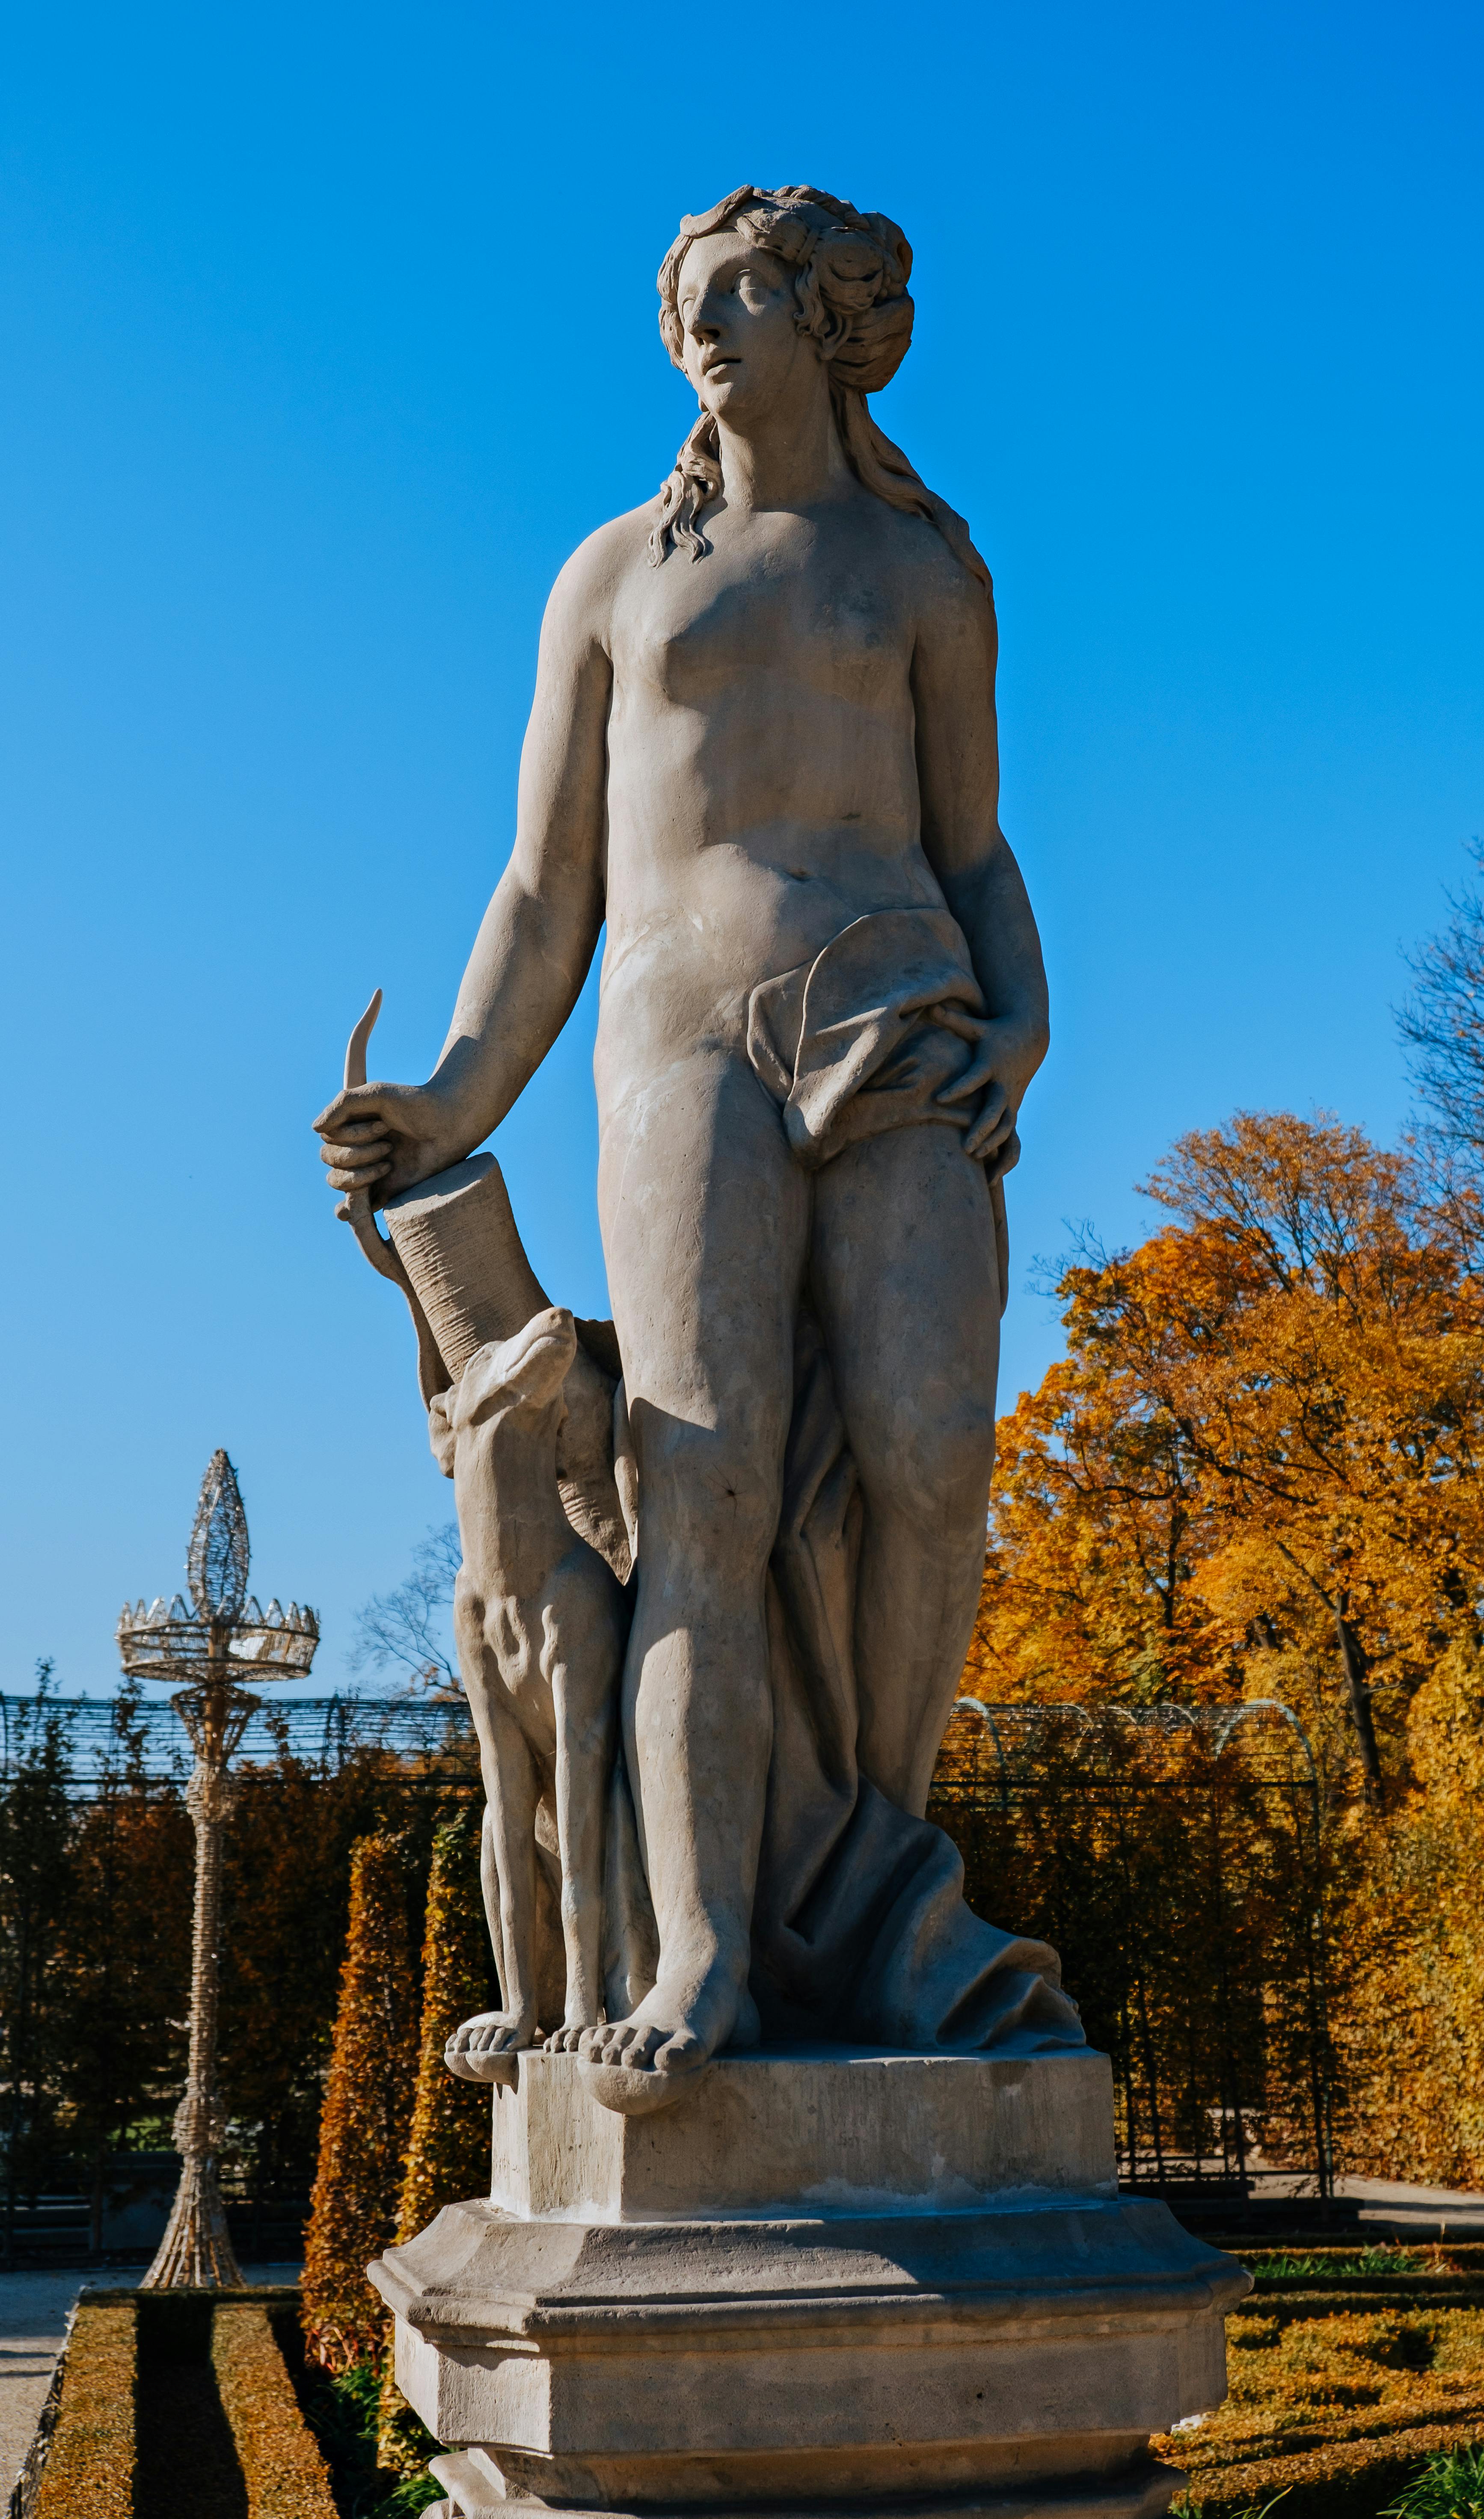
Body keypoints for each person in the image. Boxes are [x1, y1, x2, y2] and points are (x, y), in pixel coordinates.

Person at [315, 186, 1069, 2106]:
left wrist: (1033, 1020)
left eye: (739, 293)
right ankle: (716, 1947)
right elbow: (544, 885)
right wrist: (455, 1100)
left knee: (924, 1460)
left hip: (901, 1011)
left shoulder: (922, 570)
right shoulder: (608, 580)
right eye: (685, 305)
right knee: (700, 1491)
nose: (703, 330)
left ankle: (870, 1868)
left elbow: (975, 847)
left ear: (834, 318)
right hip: (680, 1043)